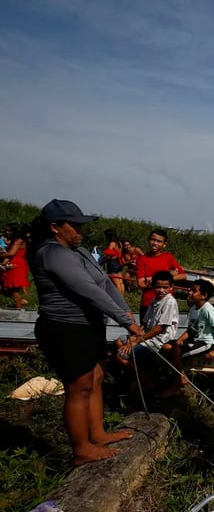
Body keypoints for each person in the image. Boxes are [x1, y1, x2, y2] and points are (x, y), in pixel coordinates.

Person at [28, 199, 143, 466]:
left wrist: (127, 314)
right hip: (65, 328)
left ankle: (98, 434)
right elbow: (88, 291)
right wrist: (125, 322)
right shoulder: (52, 253)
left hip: (89, 327)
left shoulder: (77, 251)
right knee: (78, 387)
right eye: (75, 225)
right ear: (55, 227)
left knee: (96, 378)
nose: (81, 231)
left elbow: (104, 284)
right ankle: (81, 449)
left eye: (82, 225)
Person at [158, 278, 214, 397]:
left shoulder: (207, 309)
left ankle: (175, 385)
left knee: (176, 352)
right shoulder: (193, 308)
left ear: (204, 296)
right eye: (190, 290)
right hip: (193, 340)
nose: (190, 292)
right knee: (166, 347)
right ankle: (182, 375)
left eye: (194, 291)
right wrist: (180, 339)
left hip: (205, 343)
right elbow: (191, 329)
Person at [115, 270, 179, 372]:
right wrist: (136, 335)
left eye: (165, 287)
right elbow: (145, 323)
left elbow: (160, 328)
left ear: (171, 287)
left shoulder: (169, 302)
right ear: (153, 286)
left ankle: (145, 377)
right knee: (120, 341)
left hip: (158, 340)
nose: (161, 290)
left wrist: (137, 341)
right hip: (146, 335)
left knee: (121, 355)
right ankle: (138, 370)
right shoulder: (154, 300)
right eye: (158, 287)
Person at [134, 229, 186, 323]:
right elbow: (141, 284)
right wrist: (167, 276)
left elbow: (183, 276)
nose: (155, 243)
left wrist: (156, 279)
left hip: (167, 303)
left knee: (165, 332)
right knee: (146, 332)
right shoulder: (142, 259)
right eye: (153, 240)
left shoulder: (168, 257)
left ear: (164, 244)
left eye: (159, 241)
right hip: (148, 303)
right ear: (148, 240)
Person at [1, 223, 31, 308]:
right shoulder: (17, 240)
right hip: (14, 264)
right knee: (8, 288)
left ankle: (18, 309)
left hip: (15, 265)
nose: (7, 232)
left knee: (13, 291)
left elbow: (11, 253)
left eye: (9, 231)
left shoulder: (19, 240)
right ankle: (20, 301)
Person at [102, 228, 125, 296]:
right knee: (120, 282)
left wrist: (104, 258)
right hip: (119, 263)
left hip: (112, 264)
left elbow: (109, 254)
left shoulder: (112, 244)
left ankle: (119, 299)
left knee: (116, 284)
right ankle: (122, 297)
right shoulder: (119, 243)